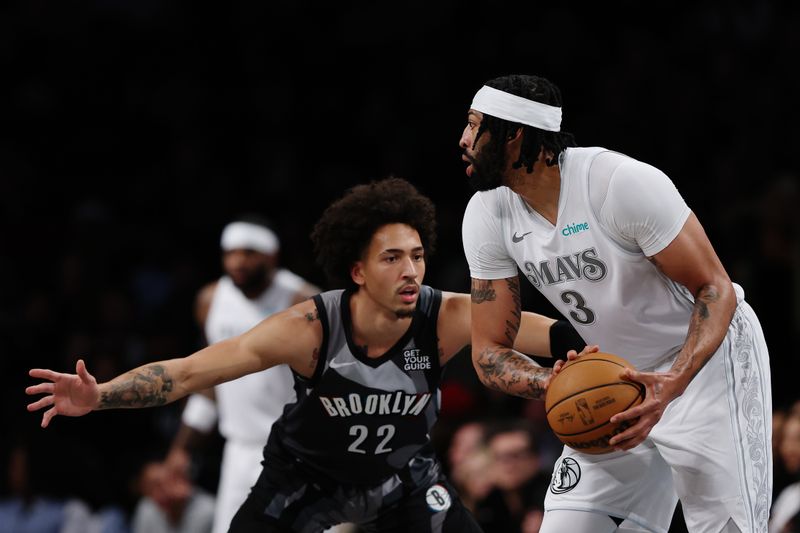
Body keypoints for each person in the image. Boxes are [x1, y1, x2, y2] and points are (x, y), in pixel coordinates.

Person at [26, 177, 587, 533]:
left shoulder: (443, 316)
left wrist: (580, 347)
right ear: (358, 270)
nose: (412, 271)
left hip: (401, 480)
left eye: (417, 256)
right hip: (303, 480)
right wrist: (99, 396)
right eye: (392, 258)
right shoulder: (309, 328)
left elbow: (522, 327)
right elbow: (191, 371)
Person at [458, 74, 772, 533]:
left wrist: (673, 383)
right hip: (613, 380)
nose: (463, 140)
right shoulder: (487, 213)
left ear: (514, 134)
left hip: (706, 368)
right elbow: (488, 352)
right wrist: (554, 382)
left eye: (474, 126)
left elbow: (716, 289)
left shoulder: (618, 183)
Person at [166, 214, 319, 533]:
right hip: (239, 450)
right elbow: (210, 383)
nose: (237, 261)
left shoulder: (301, 301)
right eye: (230, 252)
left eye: (248, 253)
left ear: (271, 256)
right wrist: (181, 449)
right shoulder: (210, 301)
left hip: (296, 451)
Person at [131, 458, 215, 533]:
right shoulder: (146, 509)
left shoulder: (209, 510)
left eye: (160, 485)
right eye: (150, 491)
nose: (157, 495)